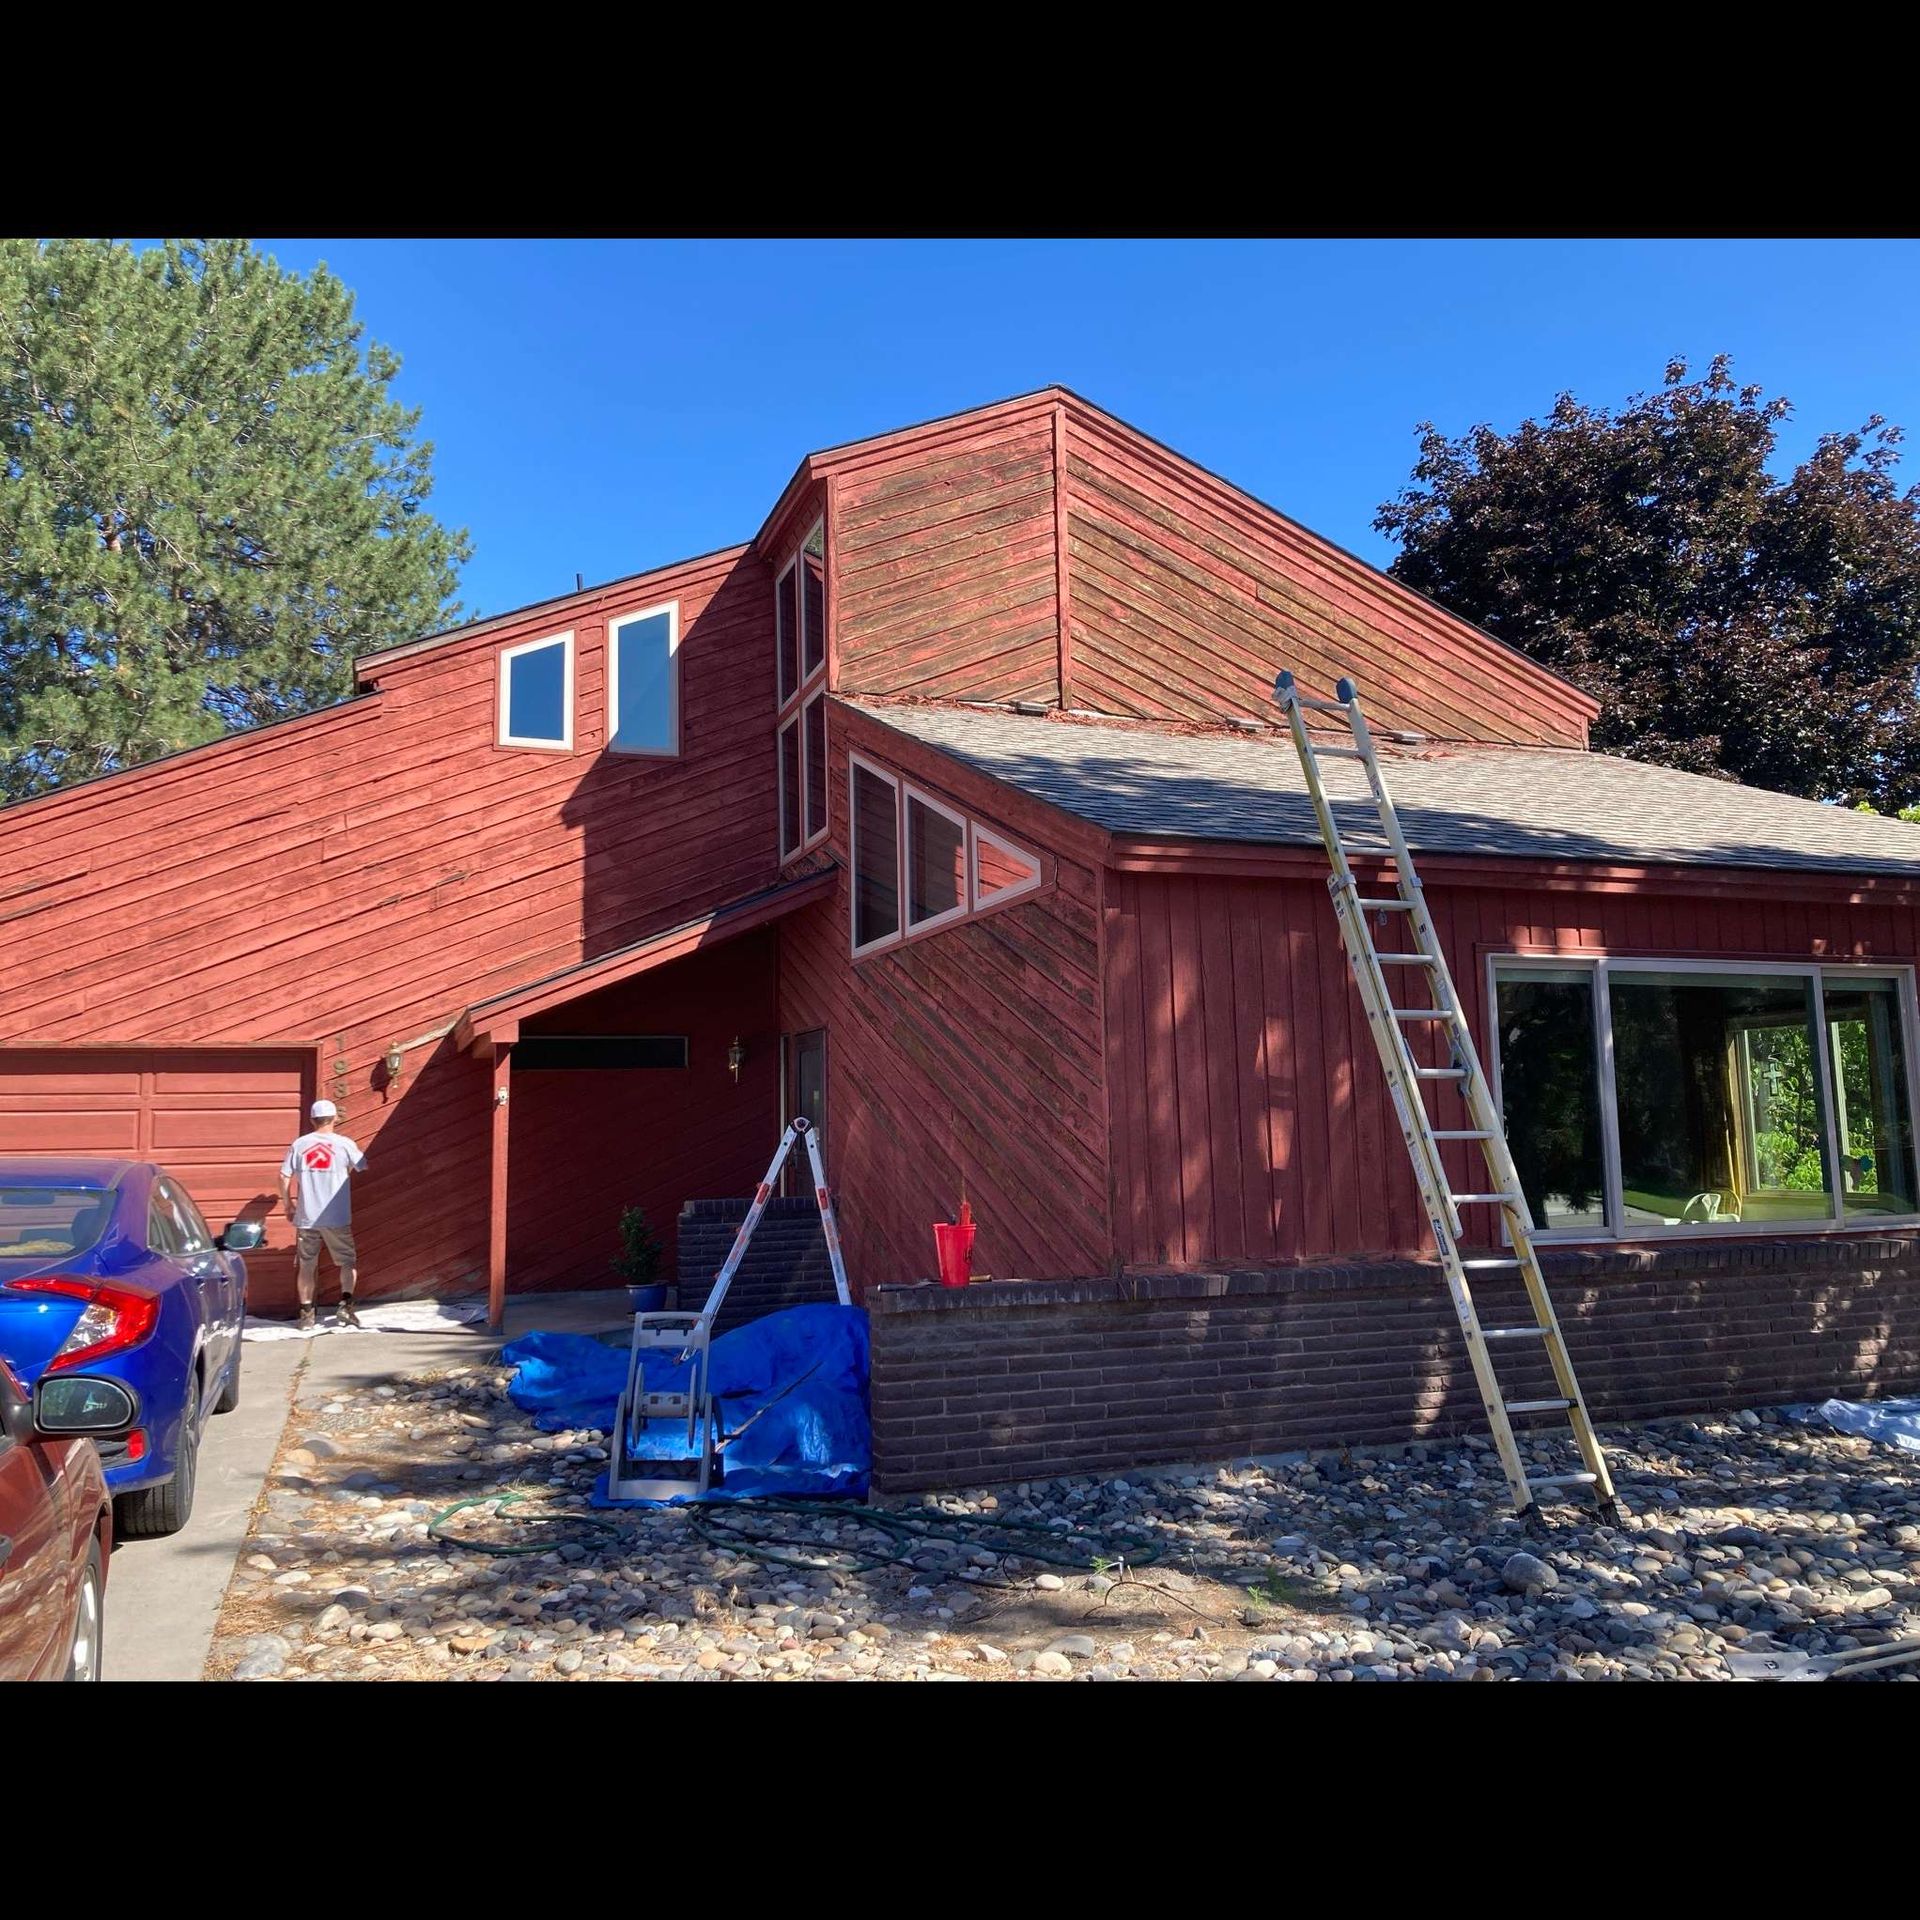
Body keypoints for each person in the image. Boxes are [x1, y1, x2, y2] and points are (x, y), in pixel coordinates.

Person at [279, 1099, 368, 1332]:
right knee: (347, 1261)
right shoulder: (344, 1144)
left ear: (312, 1120)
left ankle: (307, 1314)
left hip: (307, 1216)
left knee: (307, 1265)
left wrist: (288, 1204)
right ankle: (346, 1306)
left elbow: (283, 1176)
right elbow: (362, 1165)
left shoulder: (299, 1144)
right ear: (335, 1119)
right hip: (337, 1216)